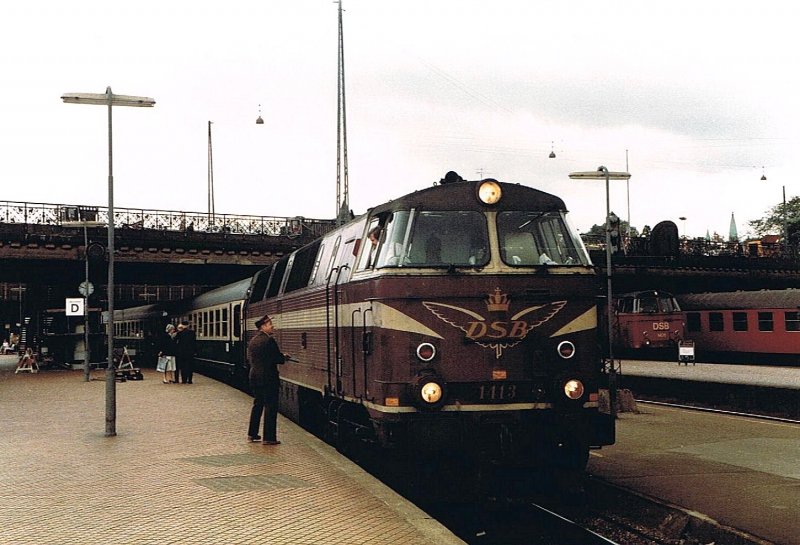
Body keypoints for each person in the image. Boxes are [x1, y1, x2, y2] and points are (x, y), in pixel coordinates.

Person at [246, 314, 288, 445]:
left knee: (257, 404)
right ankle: (269, 438)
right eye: (270, 324)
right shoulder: (269, 341)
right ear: (263, 326)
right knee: (270, 406)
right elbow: (277, 358)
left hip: (254, 377)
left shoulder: (253, 341)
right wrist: (284, 357)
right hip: (268, 378)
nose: (272, 326)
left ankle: (252, 434)